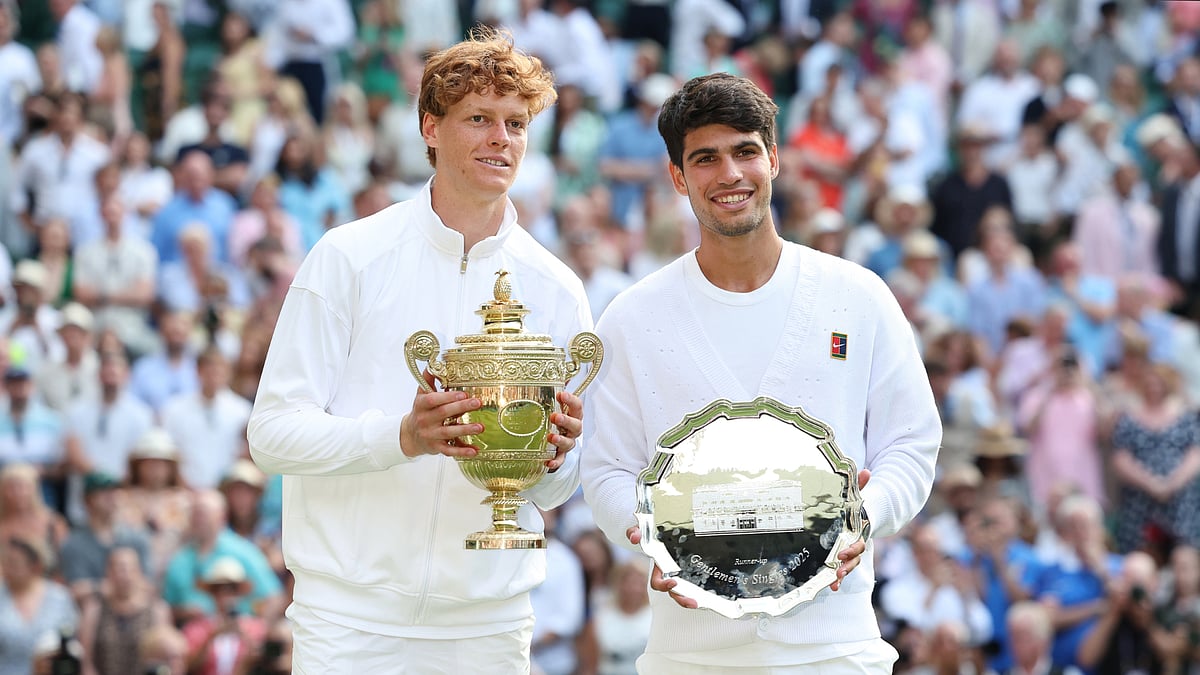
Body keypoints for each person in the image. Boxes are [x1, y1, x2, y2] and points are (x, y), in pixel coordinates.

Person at [247, 29, 591, 674]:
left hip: (490, 625)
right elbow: (271, 437)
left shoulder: (558, 288)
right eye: (480, 119)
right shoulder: (347, 257)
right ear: (431, 128)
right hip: (349, 622)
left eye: (516, 123)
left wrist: (556, 455)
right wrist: (403, 437)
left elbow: (550, 492)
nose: (502, 140)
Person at [580, 72, 941, 673]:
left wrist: (864, 518)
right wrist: (655, 537)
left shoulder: (857, 295)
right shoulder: (631, 318)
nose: (729, 174)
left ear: (774, 158)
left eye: (745, 151)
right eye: (705, 158)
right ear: (677, 176)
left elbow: (911, 443)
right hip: (690, 654)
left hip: (834, 647)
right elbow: (607, 471)